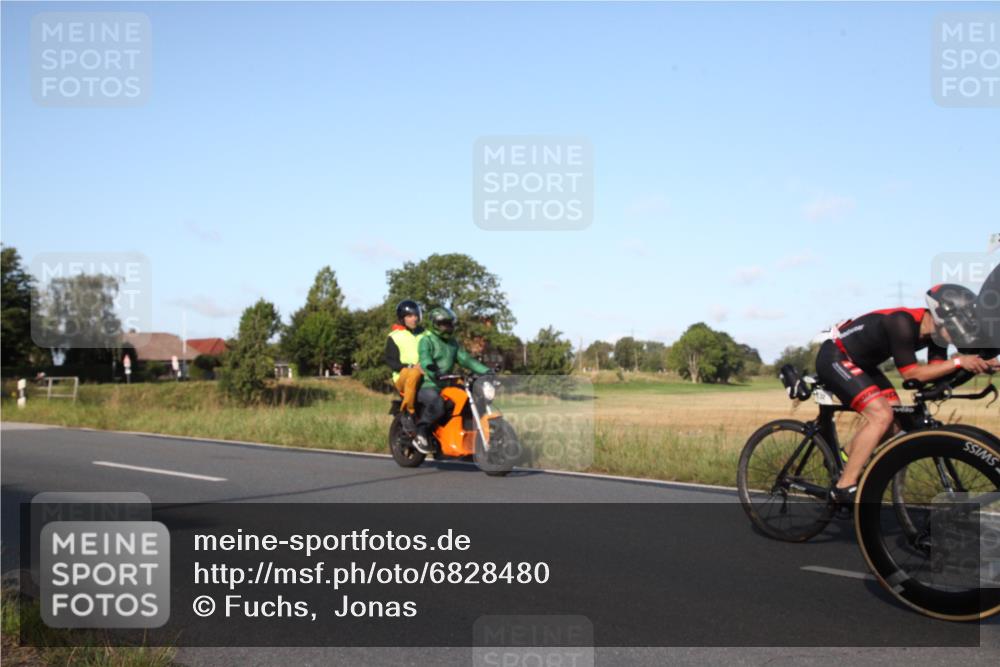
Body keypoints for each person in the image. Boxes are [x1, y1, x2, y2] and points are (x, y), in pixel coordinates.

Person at [816, 283, 999, 505]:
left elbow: (932, 377)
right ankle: (844, 487)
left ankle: (845, 456)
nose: (955, 337)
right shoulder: (900, 322)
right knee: (882, 415)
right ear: (939, 315)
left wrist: (977, 364)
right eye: (954, 328)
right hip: (835, 357)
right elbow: (913, 374)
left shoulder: (936, 338)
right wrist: (960, 361)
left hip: (865, 366)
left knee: (897, 420)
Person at [414, 306, 491, 453]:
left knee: (468, 400)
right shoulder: (426, 340)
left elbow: (466, 360)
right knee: (437, 403)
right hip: (428, 385)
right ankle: (421, 431)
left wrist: (486, 371)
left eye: (450, 323)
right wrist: (434, 371)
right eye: (444, 324)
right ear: (435, 324)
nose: (448, 327)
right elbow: (425, 360)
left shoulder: (452, 343)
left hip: (447, 385)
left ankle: (466, 439)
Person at [383, 300, 426, 432]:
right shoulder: (394, 337)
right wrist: (411, 366)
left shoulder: (425, 334)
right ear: (402, 318)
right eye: (409, 316)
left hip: (425, 374)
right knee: (414, 373)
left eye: (415, 315)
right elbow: (391, 361)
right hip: (403, 376)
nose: (414, 319)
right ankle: (409, 412)